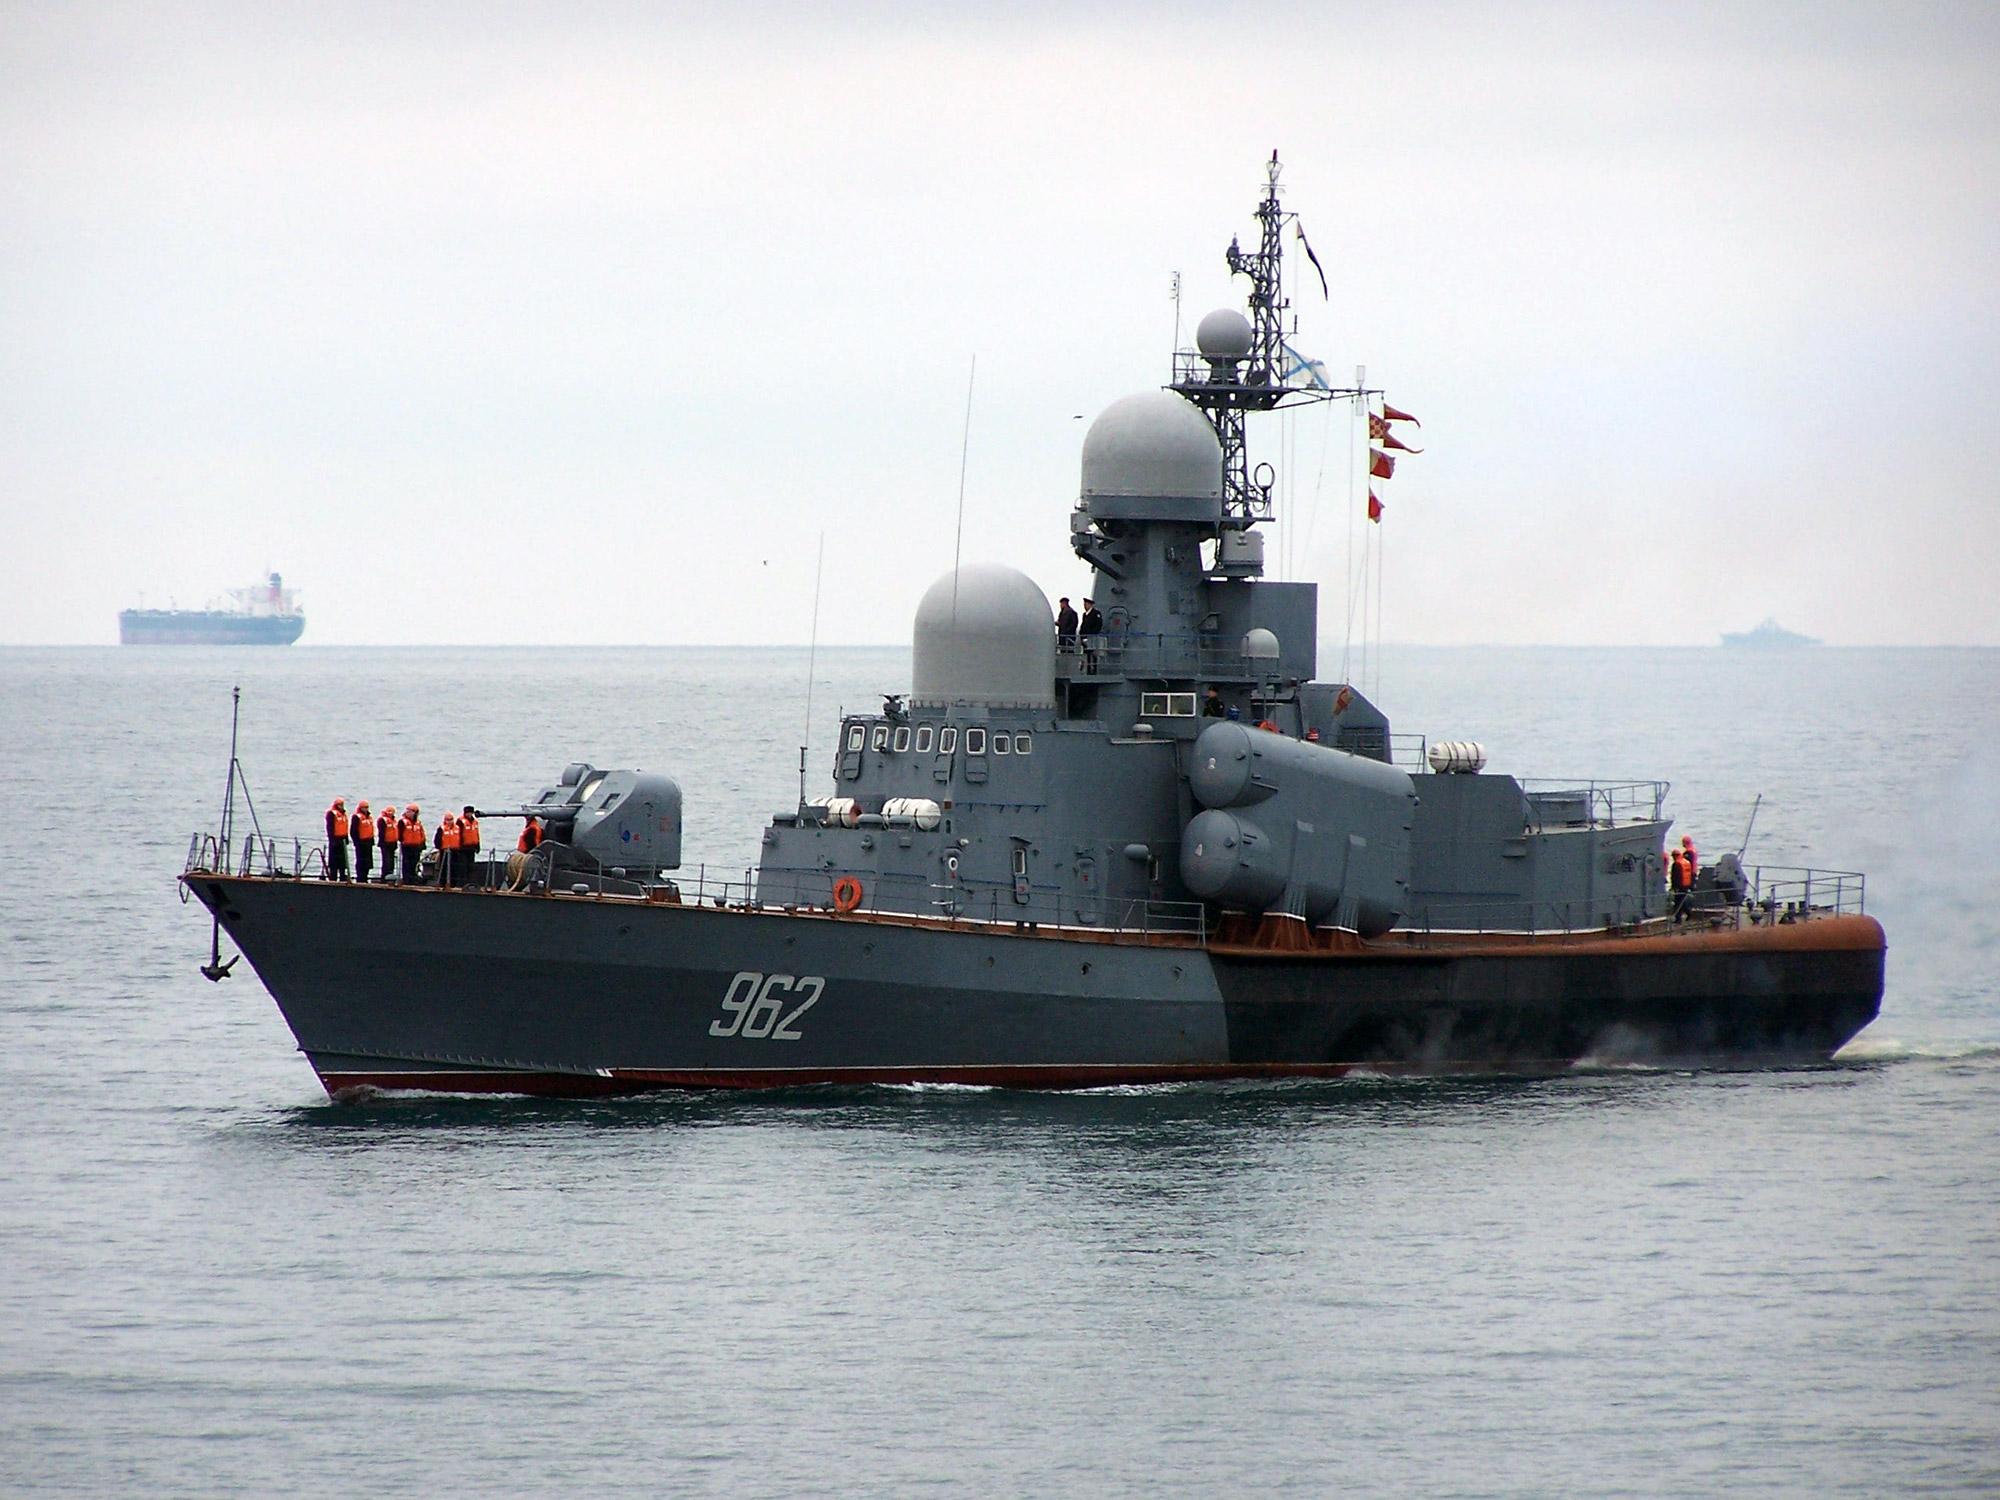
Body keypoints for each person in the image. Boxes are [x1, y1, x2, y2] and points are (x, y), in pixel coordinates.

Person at [324, 798, 350, 881]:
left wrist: (346, 838)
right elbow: (329, 827)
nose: (341, 806)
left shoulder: (343, 814)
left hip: (342, 840)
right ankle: (333, 877)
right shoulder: (331, 813)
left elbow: (345, 826)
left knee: (343, 861)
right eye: (339, 805)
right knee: (334, 861)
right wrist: (331, 839)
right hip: (334, 840)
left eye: (342, 804)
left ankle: (342, 877)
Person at [399, 805, 425, 884]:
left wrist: (422, 843)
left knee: (415, 863)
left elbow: (422, 833)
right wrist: (403, 841)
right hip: (407, 846)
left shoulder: (418, 823)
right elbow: (399, 834)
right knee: (407, 863)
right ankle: (406, 879)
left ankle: (414, 878)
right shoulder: (402, 822)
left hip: (416, 846)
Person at [351, 799, 374, 884]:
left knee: (368, 862)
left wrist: (372, 840)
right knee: (361, 861)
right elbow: (353, 830)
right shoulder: (356, 817)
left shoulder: (369, 817)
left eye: (367, 807)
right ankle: (360, 878)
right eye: (364, 807)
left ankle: (365, 877)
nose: (366, 809)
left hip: (368, 842)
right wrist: (356, 842)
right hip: (361, 843)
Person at [436, 812, 461, 886]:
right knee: (444, 868)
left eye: (451, 819)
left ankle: (454, 884)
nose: (449, 821)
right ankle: (443, 883)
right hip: (445, 851)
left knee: (455, 868)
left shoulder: (457, 828)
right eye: (448, 820)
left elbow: (461, 838)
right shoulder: (441, 828)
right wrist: (440, 847)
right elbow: (437, 840)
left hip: (455, 851)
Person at [459, 805, 481, 887]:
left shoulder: (475, 822)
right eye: (467, 813)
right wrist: (459, 846)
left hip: (472, 847)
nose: (469, 814)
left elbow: (476, 834)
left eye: (470, 813)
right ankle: (462, 883)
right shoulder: (460, 821)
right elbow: (458, 834)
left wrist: (478, 845)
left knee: (471, 866)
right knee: (463, 865)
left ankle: (471, 882)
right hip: (463, 847)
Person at [1080, 598, 1104, 670]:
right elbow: (1083, 625)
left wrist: (1092, 634)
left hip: (1092, 638)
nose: (1085, 606)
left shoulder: (1096, 613)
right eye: (1084, 604)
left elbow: (1098, 625)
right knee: (1086, 654)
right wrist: (1081, 634)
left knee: (1093, 654)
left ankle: (1093, 669)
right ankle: (1088, 669)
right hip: (1085, 638)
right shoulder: (1085, 614)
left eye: (1086, 604)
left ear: (1090, 605)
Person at [375, 803, 397, 867]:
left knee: (391, 862)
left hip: (392, 843)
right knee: (386, 861)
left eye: (392, 812)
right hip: (385, 844)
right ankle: (385, 872)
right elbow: (381, 832)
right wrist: (383, 842)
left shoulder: (394, 821)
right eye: (389, 811)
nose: (390, 813)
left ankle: (390, 871)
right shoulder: (382, 820)